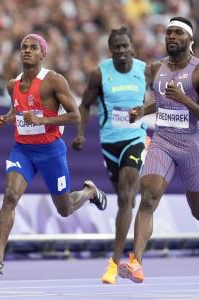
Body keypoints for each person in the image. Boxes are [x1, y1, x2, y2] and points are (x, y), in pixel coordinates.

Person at [117, 17, 199, 283]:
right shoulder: (156, 68)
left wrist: (185, 100)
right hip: (162, 140)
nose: (171, 36)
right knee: (148, 197)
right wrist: (142, 111)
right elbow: (161, 102)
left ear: (189, 39)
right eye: (168, 32)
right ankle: (136, 262)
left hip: (191, 144)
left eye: (178, 33)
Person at [0, 33, 107, 275]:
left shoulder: (54, 81)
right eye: (23, 47)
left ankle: (89, 191)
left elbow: (75, 116)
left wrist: (42, 119)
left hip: (50, 152)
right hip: (23, 150)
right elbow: (17, 108)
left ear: (42, 54)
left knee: (65, 208)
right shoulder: (12, 84)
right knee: (10, 195)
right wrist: (6, 118)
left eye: (33, 48)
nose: (27, 51)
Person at [72, 26, 148, 284]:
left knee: (127, 198)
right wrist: (81, 133)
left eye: (125, 46)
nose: (121, 51)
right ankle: (96, 194)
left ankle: (114, 263)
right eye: (116, 47)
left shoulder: (144, 70)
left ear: (132, 48)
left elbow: (162, 95)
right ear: (111, 50)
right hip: (110, 145)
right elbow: (84, 105)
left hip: (135, 140)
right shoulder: (100, 74)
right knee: (124, 200)